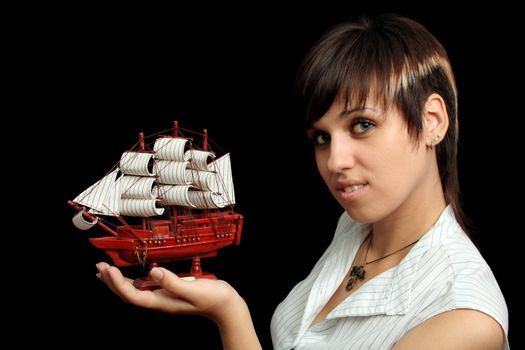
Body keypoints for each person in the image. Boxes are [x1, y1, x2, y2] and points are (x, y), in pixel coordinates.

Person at [96, 14, 509, 349]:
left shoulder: (463, 321)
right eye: (322, 138)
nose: (335, 161)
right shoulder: (356, 228)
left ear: (432, 121)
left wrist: (229, 314)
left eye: (363, 124)